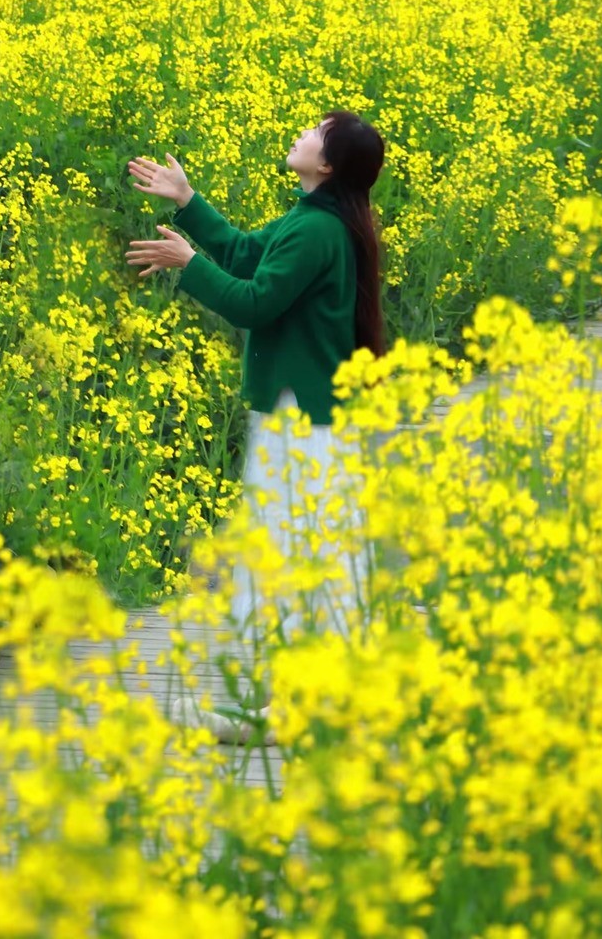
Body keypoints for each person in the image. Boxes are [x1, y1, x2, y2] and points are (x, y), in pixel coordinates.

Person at [125, 111, 386, 742]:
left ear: (326, 165)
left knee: (294, 552)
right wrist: (189, 204)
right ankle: (297, 702)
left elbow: (254, 302)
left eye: (316, 131)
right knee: (298, 551)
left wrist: (190, 263)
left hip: (304, 421)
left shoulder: (319, 231)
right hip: (304, 415)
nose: (302, 133)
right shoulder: (312, 221)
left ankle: (296, 707)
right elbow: (250, 254)